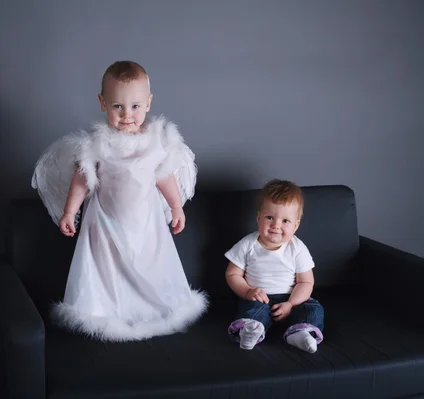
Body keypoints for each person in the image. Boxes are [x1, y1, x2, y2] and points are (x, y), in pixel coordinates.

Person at [31, 60, 207, 342]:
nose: (127, 115)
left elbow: (164, 177)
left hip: (146, 224)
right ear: (103, 103)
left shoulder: (155, 143)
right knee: (104, 270)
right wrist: (69, 212)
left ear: (148, 103)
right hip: (104, 223)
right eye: (117, 107)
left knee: (150, 265)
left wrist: (175, 206)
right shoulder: (97, 145)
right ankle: (106, 311)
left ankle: (150, 309)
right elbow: (82, 181)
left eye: (135, 106)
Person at [224, 179, 324, 353]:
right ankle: (250, 331)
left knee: (313, 308)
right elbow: (232, 274)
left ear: (296, 225)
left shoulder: (297, 248)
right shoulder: (248, 244)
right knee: (254, 310)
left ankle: (301, 333)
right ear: (258, 217)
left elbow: (306, 282)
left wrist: (291, 304)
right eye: (269, 217)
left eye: (285, 220)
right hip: (260, 297)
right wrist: (248, 291)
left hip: (292, 298)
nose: (276, 225)